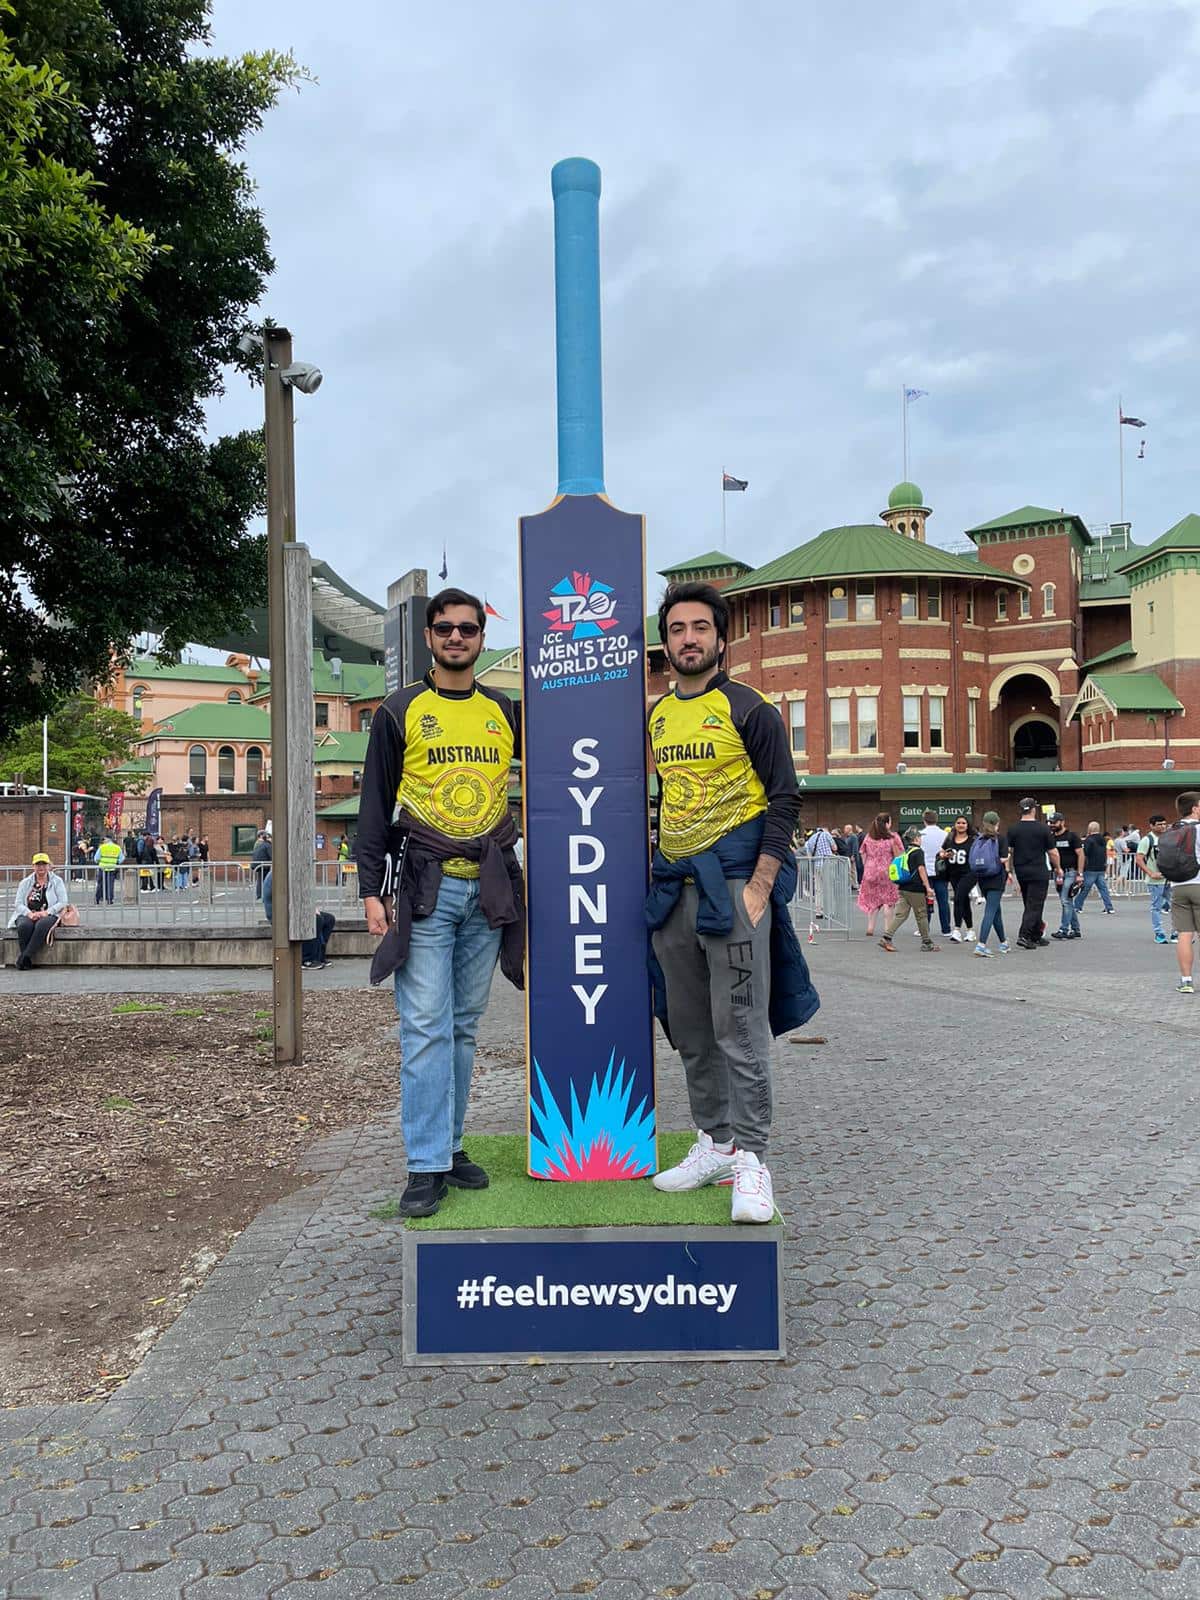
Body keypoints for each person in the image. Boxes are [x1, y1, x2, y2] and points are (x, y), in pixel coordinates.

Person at [645, 581, 814, 1225]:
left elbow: (785, 798)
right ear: (666, 642)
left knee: (739, 1031)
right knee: (689, 1031)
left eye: (700, 628)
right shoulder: (658, 716)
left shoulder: (750, 708)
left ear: (720, 638)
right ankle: (715, 1143)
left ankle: (753, 1160)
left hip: (736, 890)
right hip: (674, 892)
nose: (688, 639)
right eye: (677, 629)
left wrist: (761, 885)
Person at [358, 587, 523, 1218]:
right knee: (425, 1025)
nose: (457, 637)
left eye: (468, 628)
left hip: (488, 887)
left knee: (462, 1025)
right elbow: (375, 803)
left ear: (482, 637)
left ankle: (450, 1148)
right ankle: (424, 1164)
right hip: (426, 887)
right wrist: (370, 889)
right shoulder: (399, 710)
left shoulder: (503, 710)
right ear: (428, 637)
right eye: (445, 628)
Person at [1005, 798, 1060, 949]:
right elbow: (1053, 852)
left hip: (1021, 870)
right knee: (1035, 904)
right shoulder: (1043, 829)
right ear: (1034, 809)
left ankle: (1036, 934)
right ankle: (1024, 935)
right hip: (1038, 870)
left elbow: (1008, 851)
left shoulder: (1013, 829)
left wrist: (1008, 869)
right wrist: (1058, 868)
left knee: (1029, 903)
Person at [878, 826, 939, 952]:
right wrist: (928, 887)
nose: (921, 839)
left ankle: (886, 937)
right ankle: (927, 942)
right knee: (921, 915)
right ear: (916, 838)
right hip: (916, 889)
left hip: (903, 888)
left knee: (900, 915)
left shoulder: (906, 852)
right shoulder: (918, 852)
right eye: (920, 837)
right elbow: (921, 869)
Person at [1163, 790, 1200, 993]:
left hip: (1178, 886)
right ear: (1194, 808)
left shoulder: (1172, 830)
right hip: (1199, 884)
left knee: (1185, 934)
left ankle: (1186, 981)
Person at [262, 869, 335, 969]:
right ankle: (306, 959)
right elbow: (288, 898)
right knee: (316, 920)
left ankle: (319, 956)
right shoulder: (280, 874)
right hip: (280, 914)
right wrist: (309, 910)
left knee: (329, 919)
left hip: (291, 910)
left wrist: (311, 908)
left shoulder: (290, 872)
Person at [8, 854, 69, 970]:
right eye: (38, 864)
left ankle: (24, 957)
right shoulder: (25, 882)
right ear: (33, 866)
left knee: (41, 925)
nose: (41, 867)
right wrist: (29, 914)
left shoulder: (57, 881)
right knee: (24, 926)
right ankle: (26, 961)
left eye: (44, 864)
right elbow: (18, 903)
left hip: (50, 914)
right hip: (28, 913)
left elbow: (63, 901)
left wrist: (46, 912)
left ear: (49, 866)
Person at [857, 812, 903, 938]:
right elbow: (900, 854)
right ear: (887, 823)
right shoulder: (893, 837)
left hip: (870, 871)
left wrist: (867, 865)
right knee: (889, 901)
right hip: (888, 871)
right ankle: (888, 929)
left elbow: (862, 852)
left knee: (873, 900)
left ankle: (870, 927)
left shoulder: (869, 837)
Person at [970, 811, 1009, 956]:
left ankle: (1003, 942)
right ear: (997, 823)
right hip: (996, 878)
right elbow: (1003, 859)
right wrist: (1008, 857)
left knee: (996, 911)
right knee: (990, 911)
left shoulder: (979, 839)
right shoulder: (1000, 839)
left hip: (982, 878)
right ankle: (981, 945)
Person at [1138, 813, 1174, 945]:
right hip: (1155, 881)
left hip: (1170, 879)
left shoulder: (1169, 838)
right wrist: (1151, 873)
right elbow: (1139, 859)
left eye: (1164, 824)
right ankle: (1159, 933)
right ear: (1152, 826)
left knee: (1176, 906)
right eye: (1159, 824)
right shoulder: (1147, 840)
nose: (1163, 826)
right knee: (1156, 907)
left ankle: (1176, 932)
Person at [939, 815, 976, 942]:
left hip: (969, 874)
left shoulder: (973, 840)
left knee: (958, 898)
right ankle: (970, 930)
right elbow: (941, 852)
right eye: (958, 823)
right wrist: (944, 855)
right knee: (964, 901)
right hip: (953, 874)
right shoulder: (950, 838)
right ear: (955, 825)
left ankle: (957, 930)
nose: (961, 825)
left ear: (967, 825)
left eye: (963, 823)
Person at [1049, 812, 1084, 941]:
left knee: (1065, 900)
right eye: (1051, 822)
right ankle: (1076, 929)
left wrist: (1080, 874)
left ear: (1062, 822)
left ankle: (1063, 929)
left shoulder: (1072, 836)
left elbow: (1081, 854)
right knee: (1067, 902)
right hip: (1058, 874)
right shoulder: (1051, 837)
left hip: (1071, 872)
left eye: (1055, 822)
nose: (1052, 825)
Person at [916, 810, 951, 938]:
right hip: (941, 870)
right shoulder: (945, 834)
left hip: (925, 871)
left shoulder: (920, 835)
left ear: (924, 820)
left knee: (925, 901)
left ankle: (924, 929)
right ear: (937, 819)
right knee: (943, 901)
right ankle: (946, 929)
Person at [1075, 821, 1115, 916]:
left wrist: (1081, 867)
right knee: (1103, 889)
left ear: (1089, 829)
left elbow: (1085, 853)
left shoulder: (1089, 840)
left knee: (1085, 888)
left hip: (1091, 867)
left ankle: (1077, 906)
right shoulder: (1103, 840)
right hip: (1101, 867)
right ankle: (1109, 907)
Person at [93, 832, 123, 905]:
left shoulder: (102, 847)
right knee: (110, 884)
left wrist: (100, 861)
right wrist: (116, 862)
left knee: (100, 884)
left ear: (108, 839)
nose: (103, 841)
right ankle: (110, 899)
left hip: (102, 868)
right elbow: (121, 858)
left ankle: (97, 898)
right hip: (112, 868)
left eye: (104, 839)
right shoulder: (117, 848)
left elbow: (96, 858)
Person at [251, 830, 271, 899]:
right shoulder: (264, 844)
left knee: (260, 879)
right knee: (266, 879)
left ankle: (259, 895)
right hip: (264, 864)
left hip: (258, 864)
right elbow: (270, 855)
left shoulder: (258, 843)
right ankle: (264, 895)